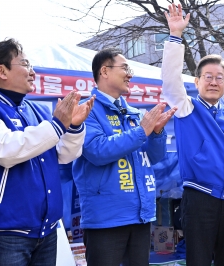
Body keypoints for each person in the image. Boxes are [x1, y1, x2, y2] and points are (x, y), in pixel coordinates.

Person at [162, 4, 224, 266]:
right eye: (208, 76)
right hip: (199, 197)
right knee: (199, 260)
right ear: (197, 82)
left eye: (220, 77)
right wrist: (175, 37)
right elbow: (170, 82)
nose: (214, 81)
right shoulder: (186, 108)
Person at [0, 39, 95, 266]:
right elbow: (6, 149)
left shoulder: (34, 108)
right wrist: (57, 125)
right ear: (2, 70)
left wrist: (74, 127)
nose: (32, 71)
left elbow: (64, 155)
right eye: (25, 64)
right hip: (6, 232)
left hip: (46, 230)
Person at [72, 47, 176, 266]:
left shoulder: (134, 113)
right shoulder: (86, 110)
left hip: (140, 215)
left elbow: (154, 158)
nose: (130, 74)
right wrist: (142, 132)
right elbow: (97, 151)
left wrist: (156, 133)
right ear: (104, 71)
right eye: (125, 68)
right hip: (106, 219)